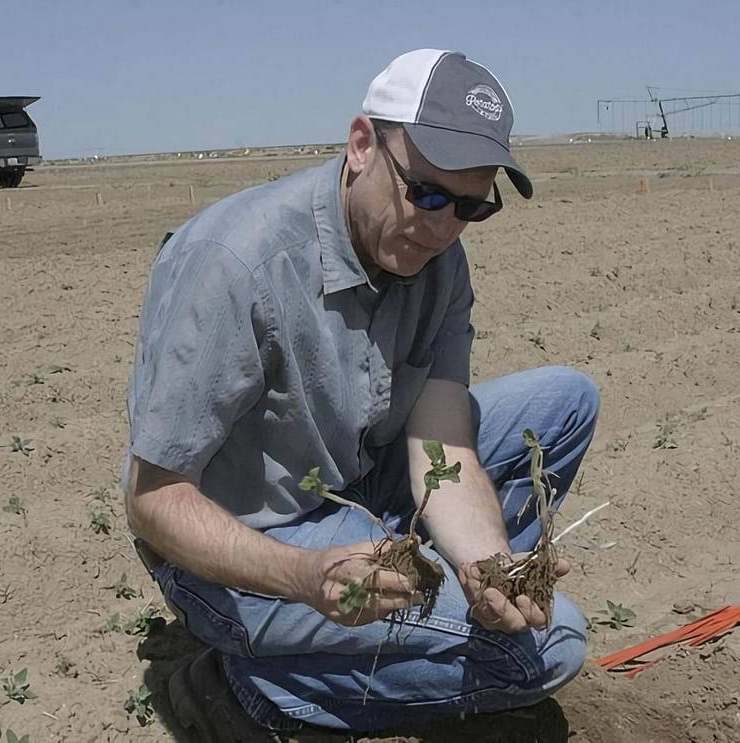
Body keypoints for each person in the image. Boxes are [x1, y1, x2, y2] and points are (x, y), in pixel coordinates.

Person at [122, 48, 600, 741]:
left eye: (470, 206)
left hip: (349, 486)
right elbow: (153, 499)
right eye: (426, 193)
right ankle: (247, 689)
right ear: (360, 146)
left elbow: (442, 446)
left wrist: (486, 567)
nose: (441, 225)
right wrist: (307, 575)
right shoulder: (239, 264)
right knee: (556, 648)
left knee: (564, 401)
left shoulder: (439, 262)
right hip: (239, 544)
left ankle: (465, 629)